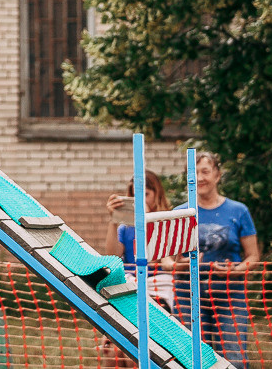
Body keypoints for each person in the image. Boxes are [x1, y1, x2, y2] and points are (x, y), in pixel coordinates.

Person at [172, 151, 259, 369]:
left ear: (218, 175)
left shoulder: (238, 211)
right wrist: (181, 264)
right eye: (194, 173)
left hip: (230, 295)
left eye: (205, 171)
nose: (200, 178)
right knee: (188, 358)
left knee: (234, 358)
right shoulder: (179, 213)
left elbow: (253, 255)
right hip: (188, 296)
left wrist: (236, 270)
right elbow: (167, 261)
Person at [99, 169, 176, 367]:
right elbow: (114, 255)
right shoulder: (126, 226)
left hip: (156, 291)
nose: (139, 200)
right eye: (134, 195)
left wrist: (148, 220)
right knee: (112, 350)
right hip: (129, 290)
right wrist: (114, 219)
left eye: (145, 195)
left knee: (141, 352)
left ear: (157, 193)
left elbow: (163, 257)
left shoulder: (166, 221)